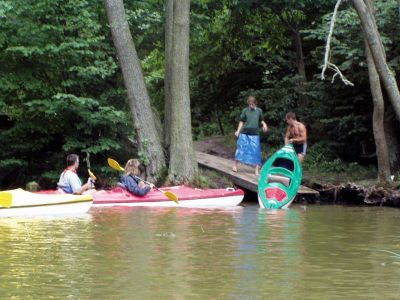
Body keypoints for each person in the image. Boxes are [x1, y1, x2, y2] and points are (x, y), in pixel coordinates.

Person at [233, 96, 268, 175]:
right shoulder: (245, 110)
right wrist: (238, 131)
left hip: (255, 134)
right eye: (249, 104)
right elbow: (241, 121)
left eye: (252, 104)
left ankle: (256, 170)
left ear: (255, 103)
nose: (250, 106)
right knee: (241, 148)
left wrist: (264, 124)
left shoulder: (259, 111)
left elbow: (261, 120)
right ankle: (235, 165)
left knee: (256, 151)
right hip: (244, 133)